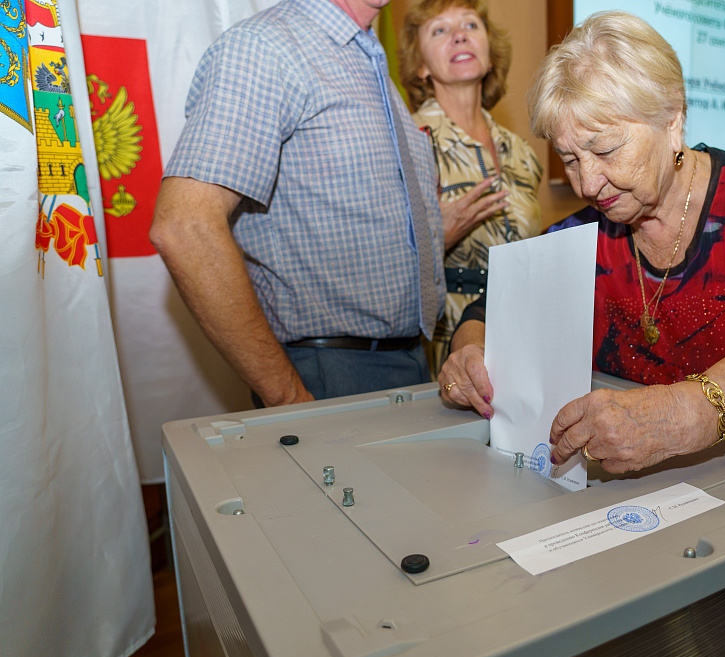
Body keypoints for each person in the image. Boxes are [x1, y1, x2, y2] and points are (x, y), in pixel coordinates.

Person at [438, 11, 725, 474]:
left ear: (673, 118)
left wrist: (680, 415)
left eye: (605, 149)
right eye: (570, 160)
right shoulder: (580, 235)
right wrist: (468, 354)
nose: (587, 184)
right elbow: (488, 312)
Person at [149, 0, 503, 407]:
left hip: (408, 362)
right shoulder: (267, 46)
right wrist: (289, 397)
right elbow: (184, 227)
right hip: (327, 373)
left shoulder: (365, 61)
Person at [399, 0, 543, 375]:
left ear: (491, 56)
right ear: (420, 66)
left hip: (524, 332)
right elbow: (377, 265)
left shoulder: (523, 153)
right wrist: (436, 239)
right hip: (443, 343)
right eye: (440, 30)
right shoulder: (406, 144)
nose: (459, 35)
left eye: (470, 25)